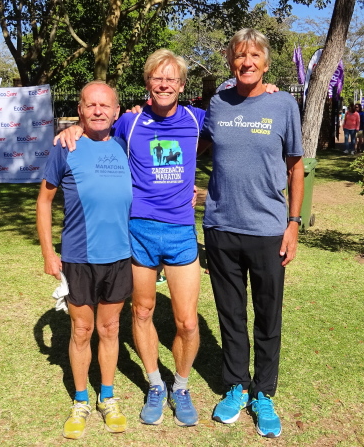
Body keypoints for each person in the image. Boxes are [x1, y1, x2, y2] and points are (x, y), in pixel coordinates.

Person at [56, 49, 208, 428]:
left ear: (182, 85)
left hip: (180, 232)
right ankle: (155, 384)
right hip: (138, 230)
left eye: (171, 79)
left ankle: (181, 387)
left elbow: (231, 137)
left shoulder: (197, 118)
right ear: (147, 83)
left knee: (188, 322)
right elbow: (97, 130)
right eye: (158, 77)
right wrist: (73, 128)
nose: (164, 84)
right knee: (141, 312)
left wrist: (266, 90)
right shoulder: (130, 121)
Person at [199, 28, 304, 438]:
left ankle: (263, 392)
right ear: (230, 62)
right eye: (240, 56)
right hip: (221, 227)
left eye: (254, 56)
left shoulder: (283, 104)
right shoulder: (217, 103)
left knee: (267, 314)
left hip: (267, 230)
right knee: (230, 314)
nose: (247, 62)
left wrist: (293, 224)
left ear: (266, 62)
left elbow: (295, 168)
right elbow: (192, 142)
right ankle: (236, 385)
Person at [36, 81, 133, 439]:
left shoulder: (125, 144)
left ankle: (107, 396)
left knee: (110, 329)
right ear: (79, 110)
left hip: (120, 255)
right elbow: (44, 201)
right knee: (81, 330)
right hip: (78, 256)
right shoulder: (66, 146)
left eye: (105, 105)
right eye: (90, 105)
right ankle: (80, 400)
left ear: (117, 111)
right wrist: (49, 252)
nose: (97, 111)